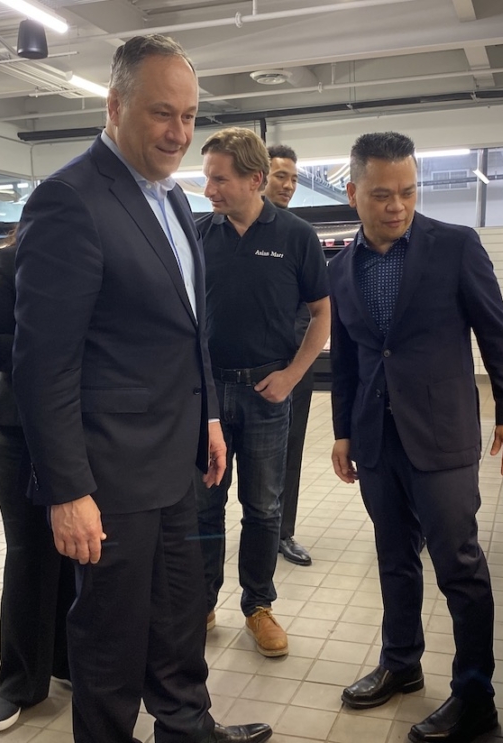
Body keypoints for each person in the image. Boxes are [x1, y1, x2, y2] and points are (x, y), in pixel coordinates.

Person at [12, 35, 271, 743]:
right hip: (109, 475)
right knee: (111, 637)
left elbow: (189, 330)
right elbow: (44, 363)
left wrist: (208, 418)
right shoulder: (70, 199)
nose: (179, 132)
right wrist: (68, 489)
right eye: (162, 113)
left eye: (188, 116)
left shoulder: (173, 198)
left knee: (179, 616)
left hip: (175, 460)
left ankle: (188, 728)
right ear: (115, 105)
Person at [329, 132, 503, 743]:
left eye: (409, 192)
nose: (397, 206)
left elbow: (496, 331)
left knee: (459, 566)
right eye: (382, 194)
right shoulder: (341, 266)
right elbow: (348, 358)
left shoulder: (455, 246)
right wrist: (343, 432)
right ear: (353, 192)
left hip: (441, 435)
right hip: (376, 436)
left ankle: (475, 698)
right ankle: (401, 663)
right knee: (394, 557)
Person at [196, 128, 329, 657]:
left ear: (254, 180)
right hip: (207, 397)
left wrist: (293, 375)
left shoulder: (296, 236)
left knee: (264, 506)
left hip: (267, 393)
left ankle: (258, 605)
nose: (209, 190)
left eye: (219, 180)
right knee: (204, 505)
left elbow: (321, 314)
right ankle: (201, 602)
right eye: (206, 178)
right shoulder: (197, 235)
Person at [0, 238, 76, 732]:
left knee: (82, 555)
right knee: (30, 554)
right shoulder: (12, 261)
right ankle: (19, 681)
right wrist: (55, 348)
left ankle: (68, 660)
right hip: (23, 431)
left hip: (90, 430)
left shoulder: (103, 257)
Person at [262, 144, 313, 567]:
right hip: (232, 370)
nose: (289, 185)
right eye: (282, 176)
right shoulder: (220, 230)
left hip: (292, 366)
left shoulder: (298, 235)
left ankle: (283, 532)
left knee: (289, 451)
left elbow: (316, 309)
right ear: (257, 175)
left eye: (294, 179)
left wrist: (293, 366)